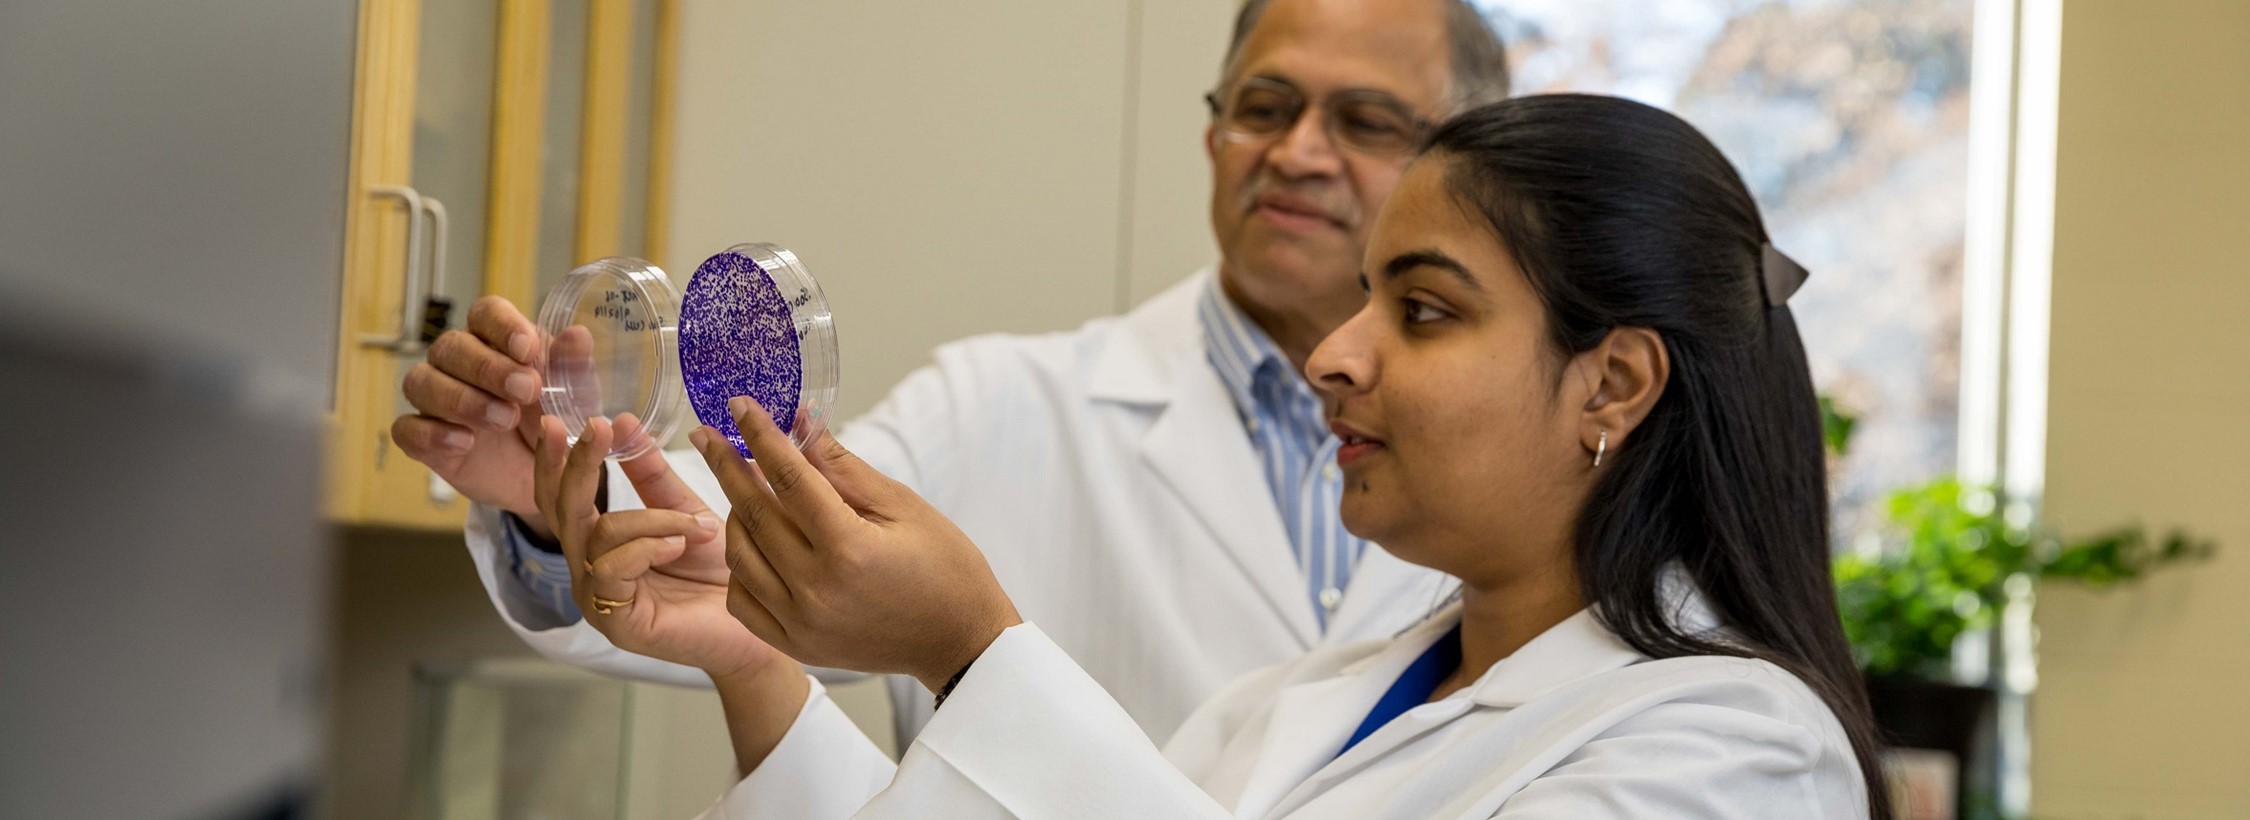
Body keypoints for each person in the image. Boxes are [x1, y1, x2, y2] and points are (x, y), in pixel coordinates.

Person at [543, 94, 1893, 817]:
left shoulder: (1735, 757)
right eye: (1362, 299)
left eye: (1420, 310)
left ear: (1613, 380)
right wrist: (755, 664)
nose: (1336, 354)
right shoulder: (1290, 706)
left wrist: (972, 652)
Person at [391, 0, 1511, 745]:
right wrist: (552, 496)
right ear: (1215, 135)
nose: (1298, 150)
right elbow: (728, 575)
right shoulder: (1006, 405)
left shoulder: (1536, 460)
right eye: (1265, 106)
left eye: (1363, 120)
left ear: (1464, 156)